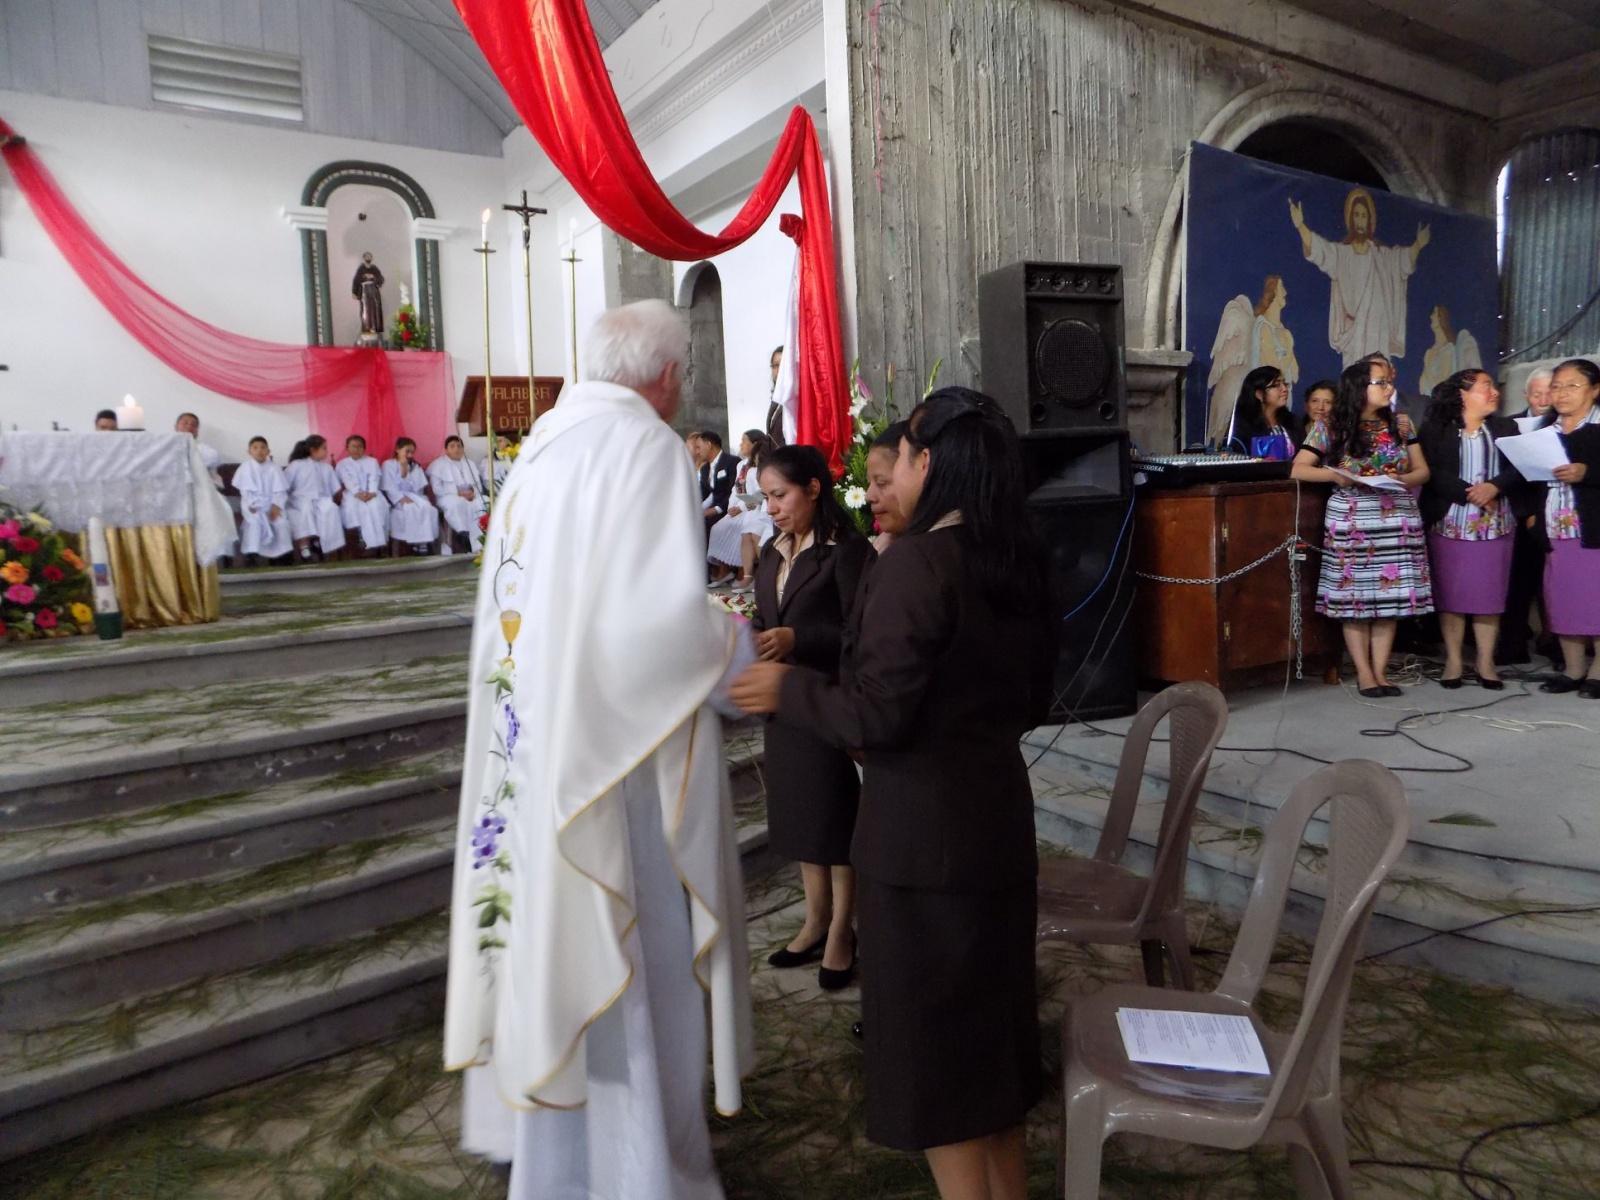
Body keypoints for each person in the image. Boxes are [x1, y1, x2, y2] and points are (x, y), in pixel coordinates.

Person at [445, 299, 753, 1199]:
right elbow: (653, 630)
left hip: (534, 751)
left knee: (553, 939)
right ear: (664, 376)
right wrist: (733, 645)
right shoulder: (647, 449)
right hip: (613, 770)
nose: (682, 387)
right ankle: (640, 1176)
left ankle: (558, 1169)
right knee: (633, 962)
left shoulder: (539, 450)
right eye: (684, 372)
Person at [731, 388, 1053, 1200]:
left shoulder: (918, 562)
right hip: (998, 823)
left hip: (918, 842)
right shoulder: (1014, 553)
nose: (886, 478)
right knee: (992, 1051)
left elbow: (874, 720)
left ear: (928, 463)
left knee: (937, 1065)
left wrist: (786, 689)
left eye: (899, 458)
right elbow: (1037, 698)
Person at [750, 444, 873, 990]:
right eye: (766, 498)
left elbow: (861, 631)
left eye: (780, 495)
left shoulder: (845, 551)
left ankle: (844, 929)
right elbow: (765, 612)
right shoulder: (776, 552)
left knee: (835, 817)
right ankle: (816, 917)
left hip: (824, 698)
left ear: (814, 488)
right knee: (802, 814)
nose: (772, 508)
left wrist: (800, 638)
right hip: (784, 702)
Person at [1292, 361, 1433, 697]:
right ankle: (1364, 674)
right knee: (1355, 600)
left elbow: (1423, 471)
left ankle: (1382, 672)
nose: (1388, 388)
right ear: (1359, 386)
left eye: (1389, 382)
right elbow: (1298, 468)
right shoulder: (1331, 426)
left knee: (1389, 599)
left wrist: (1401, 478)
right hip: (1353, 520)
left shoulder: (1401, 424)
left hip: (1396, 517)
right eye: (1380, 382)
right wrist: (1335, 475)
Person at [1417, 370, 1528, 689]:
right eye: (1485, 386)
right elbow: (1432, 472)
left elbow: (1519, 468)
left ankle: (1485, 661)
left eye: (1493, 386)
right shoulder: (1437, 428)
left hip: (1496, 523)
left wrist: (1494, 487)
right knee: (1452, 594)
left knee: (1490, 595)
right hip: (1451, 521)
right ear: (1463, 394)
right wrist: (1471, 492)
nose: (1494, 391)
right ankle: (1453, 659)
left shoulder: (1507, 427)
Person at [1290, 188, 1430, 367]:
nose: (1360, 220)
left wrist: (1418, 244)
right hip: (1354, 332)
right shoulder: (1342, 253)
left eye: (1364, 216)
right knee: (1354, 379)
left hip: (1378, 330)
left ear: (1370, 220)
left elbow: (1402, 262)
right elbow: (1320, 250)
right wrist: (1301, 226)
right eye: (1357, 215)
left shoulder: (1381, 256)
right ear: (1351, 219)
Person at [1534, 358, 1600, 698]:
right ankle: (1573, 669)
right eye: (1556, 386)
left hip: (1593, 527)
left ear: (1595, 389)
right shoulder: (1545, 429)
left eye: (1572, 386)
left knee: (1596, 598)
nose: (1561, 393)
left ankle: (1599, 672)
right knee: (1564, 599)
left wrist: (1586, 474)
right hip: (1555, 528)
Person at [1499, 369, 1560, 663]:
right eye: (1537, 393)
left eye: (1550, 392)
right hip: (1516, 515)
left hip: (1555, 513)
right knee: (1518, 583)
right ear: (1526, 395)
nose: (1544, 399)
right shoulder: (1507, 425)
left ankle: (1555, 642)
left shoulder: (1566, 424)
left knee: (1553, 582)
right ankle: (1513, 646)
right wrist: (1525, 513)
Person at [706, 430, 775, 590]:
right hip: (742, 507)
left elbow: (761, 493)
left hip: (755, 507)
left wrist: (742, 507)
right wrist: (732, 507)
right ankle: (728, 572)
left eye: (744, 441)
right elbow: (736, 490)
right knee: (719, 527)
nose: (740, 444)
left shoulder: (763, 465)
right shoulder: (741, 465)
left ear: (755, 444)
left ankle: (752, 574)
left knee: (749, 527)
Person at [284, 436, 345, 562]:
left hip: (321, 499)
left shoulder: (326, 467)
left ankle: (324, 544)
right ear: (313, 450)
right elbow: (285, 486)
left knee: (331, 509)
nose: (326, 451)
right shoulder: (296, 465)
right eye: (324, 448)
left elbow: (336, 488)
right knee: (306, 510)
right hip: (299, 499)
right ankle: (305, 546)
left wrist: (337, 500)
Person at [233, 436, 293, 564]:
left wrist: (276, 506)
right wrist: (252, 505)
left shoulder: (274, 468)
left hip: (272, 504)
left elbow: (280, 491)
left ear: (268, 451)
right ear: (249, 451)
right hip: (253, 505)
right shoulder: (245, 468)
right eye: (255, 448)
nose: (259, 450)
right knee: (254, 523)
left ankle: (281, 555)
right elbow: (245, 491)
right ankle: (252, 554)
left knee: (281, 523)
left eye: (263, 448)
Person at [428, 435, 488, 555]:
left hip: (471, 497)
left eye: (459, 446)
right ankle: (463, 534)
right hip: (447, 497)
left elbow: (478, 486)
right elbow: (437, 489)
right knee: (457, 503)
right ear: (446, 450)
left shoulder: (469, 463)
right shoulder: (438, 465)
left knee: (486, 501)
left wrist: (473, 494)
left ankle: (482, 543)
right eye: (452, 446)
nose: (456, 449)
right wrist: (457, 493)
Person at [1228, 365, 1303, 455]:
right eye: (1276, 385)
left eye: (1285, 384)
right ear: (1259, 394)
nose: (1284, 389)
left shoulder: (1293, 422)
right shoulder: (1242, 427)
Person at [382, 437, 440, 554]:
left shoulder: (415, 466)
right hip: (398, 497)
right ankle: (416, 543)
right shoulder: (388, 465)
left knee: (428, 508)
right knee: (410, 508)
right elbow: (389, 487)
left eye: (412, 452)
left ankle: (423, 543)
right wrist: (401, 498)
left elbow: (418, 488)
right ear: (397, 449)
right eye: (407, 451)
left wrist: (406, 469)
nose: (409, 455)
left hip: (415, 495)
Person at [336, 435, 389, 556]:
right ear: (347, 448)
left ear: (364, 448)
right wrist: (357, 492)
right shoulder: (342, 464)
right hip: (352, 494)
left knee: (376, 506)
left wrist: (371, 492)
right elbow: (345, 480)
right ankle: (361, 537)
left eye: (360, 447)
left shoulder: (372, 461)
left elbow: (374, 478)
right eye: (353, 446)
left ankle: (378, 542)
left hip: (372, 493)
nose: (356, 449)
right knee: (353, 507)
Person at [697, 431, 739, 539]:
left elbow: (734, 491)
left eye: (699, 447)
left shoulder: (732, 462)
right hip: (710, 511)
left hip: (728, 509)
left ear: (709, 445)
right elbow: (702, 494)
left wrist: (717, 509)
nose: (698, 451)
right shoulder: (704, 469)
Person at [175, 411, 223, 484]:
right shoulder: (165, 445)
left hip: (198, 485)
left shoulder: (204, 449)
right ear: (176, 426)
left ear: (197, 431)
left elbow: (215, 459)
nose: (189, 426)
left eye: (194, 425)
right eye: (185, 423)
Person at [765, 345, 787, 446]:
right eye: (775, 365)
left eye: (782, 365)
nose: (778, 370)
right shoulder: (776, 400)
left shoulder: (797, 400)